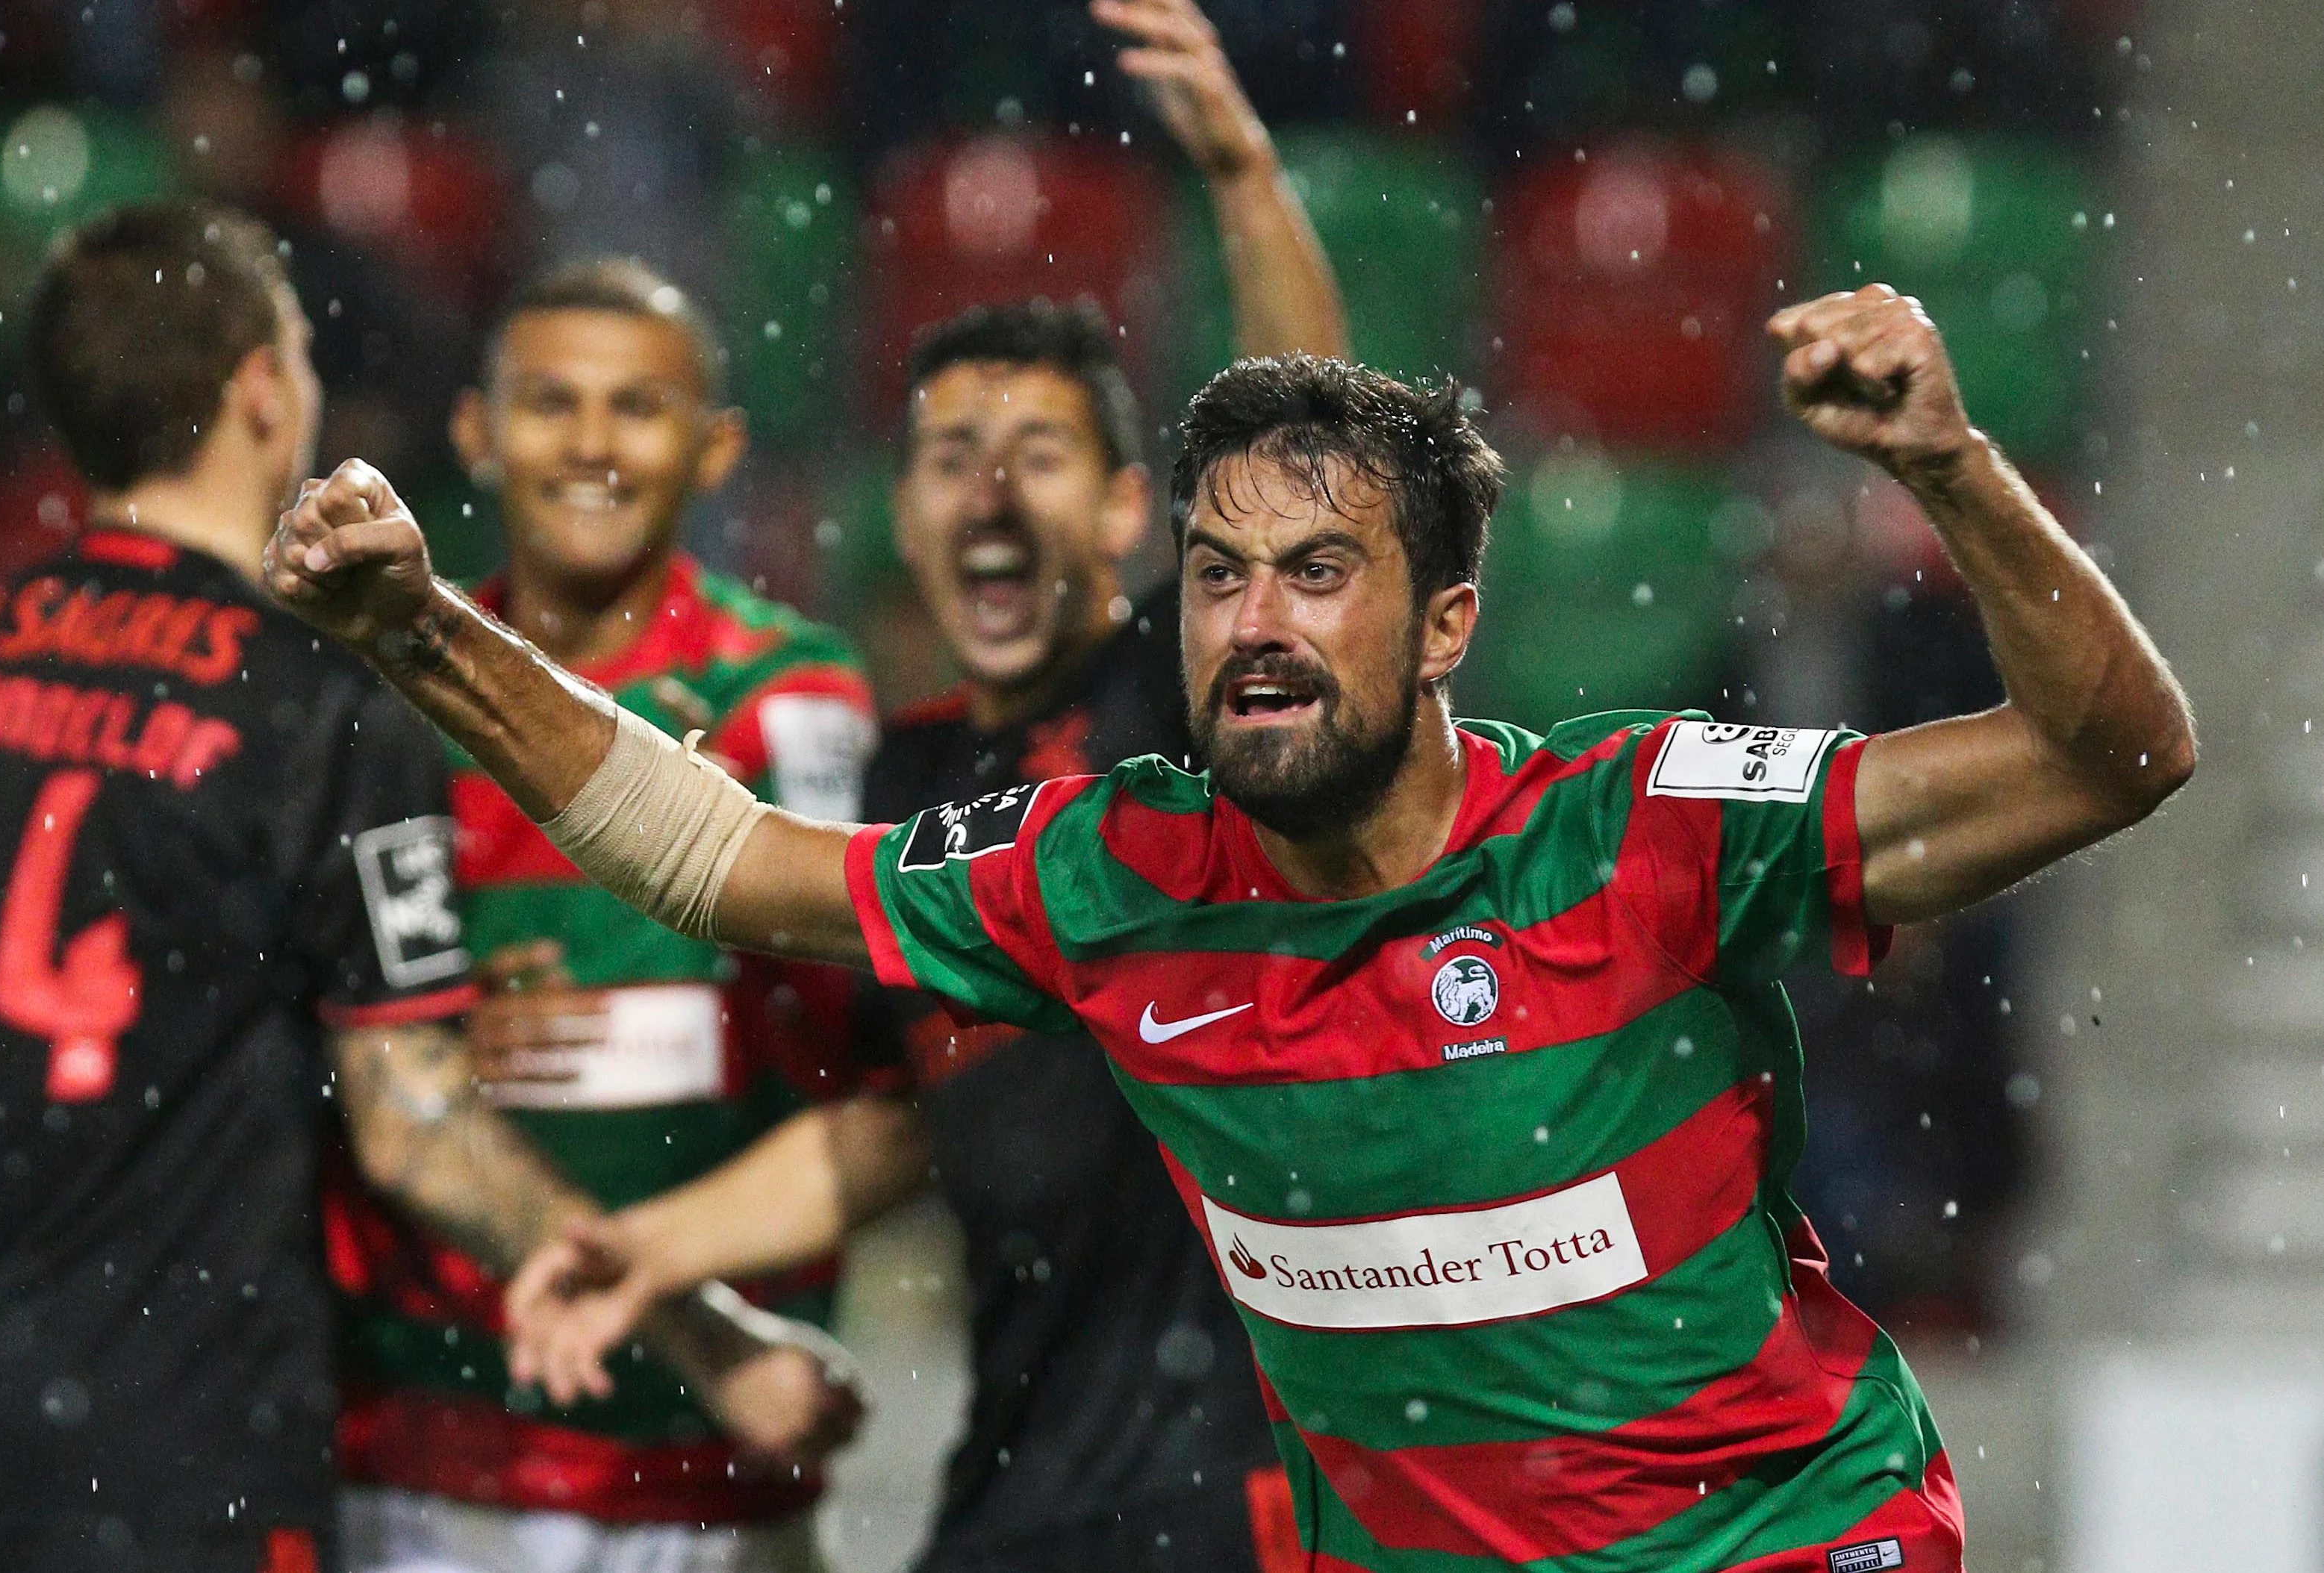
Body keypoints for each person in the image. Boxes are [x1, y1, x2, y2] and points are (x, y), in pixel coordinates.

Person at [259, 281, 2196, 1572]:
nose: (1253, 624)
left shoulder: (1643, 826)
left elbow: (2111, 756)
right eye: (1214, 574)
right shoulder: (1109, 874)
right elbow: (729, 862)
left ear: (1445, 624)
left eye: (1318, 573)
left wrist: (1946, 467)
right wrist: (421, 633)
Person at [0, 202, 844, 1573]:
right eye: (305, 358)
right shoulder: (315, 707)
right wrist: (698, 1326)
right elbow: (413, 1127)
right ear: (263, 389)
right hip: (185, 1455)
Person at [497, 1, 1356, 1565]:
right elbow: (891, 1124)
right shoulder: (899, 777)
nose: (984, 491)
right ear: (898, 507)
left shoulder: (1190, 704)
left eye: (1033, 452)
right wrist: (645, 1253)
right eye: (948, 454)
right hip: (1018, 1478)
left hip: (1229, 1484)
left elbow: (1307, 458)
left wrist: (1239, 175)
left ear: (1124, 516)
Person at [316, 252, 881, 1573]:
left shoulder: (790, 702)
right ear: (476, 432)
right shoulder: (376, 703)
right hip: (436, 1446)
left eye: (636, 406)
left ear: (718, 447)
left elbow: (875, 1084)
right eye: (550, 402)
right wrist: (424, 1035)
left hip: (718, 1462)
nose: (589, 443)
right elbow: (325, 1062)